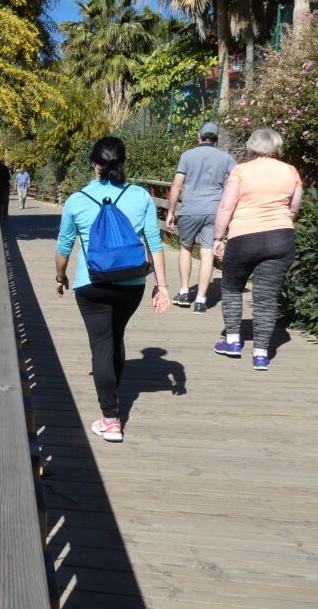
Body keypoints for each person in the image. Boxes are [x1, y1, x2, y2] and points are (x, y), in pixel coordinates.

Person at [55, 137, 170, 443]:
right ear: (123, 161)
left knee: (101, 344)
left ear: (95, 164)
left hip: (91, 285)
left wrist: (59, 277)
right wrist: (162, 286)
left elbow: (64, 246)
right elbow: (154, 243)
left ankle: (111, 419)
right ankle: (112, 402)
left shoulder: (78, 200)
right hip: (131, 284)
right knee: (115, 336)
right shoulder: (141, 197)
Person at [212, 127, 303, 371]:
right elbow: (294, 207)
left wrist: (218, 238)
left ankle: (232, 341)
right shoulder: (290, 171)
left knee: (231, 287)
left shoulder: (240, 171)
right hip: (280, 238)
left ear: (251, 146)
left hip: (244, 237)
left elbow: (225, 207)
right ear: (276, 147)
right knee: (266, 296)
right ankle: (261, 354)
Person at [165, 121, 237, 313]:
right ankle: (201, 300)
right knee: (207, 253)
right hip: (214, 210)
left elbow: (177, 185)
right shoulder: (226, 158)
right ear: (217, 138)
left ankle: (183, 292)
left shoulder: (187, 155)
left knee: (186, 248)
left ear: (199, 136)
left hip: (190, 209)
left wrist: (171, 211)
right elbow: (235, 182)